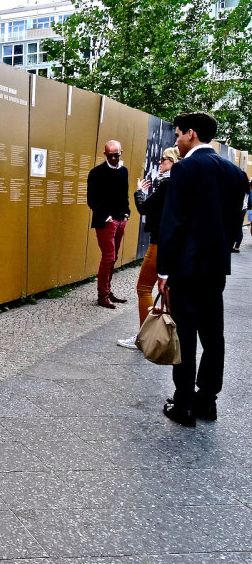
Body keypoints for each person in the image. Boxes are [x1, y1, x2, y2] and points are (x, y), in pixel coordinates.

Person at [157, 112, 249, 427]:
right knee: (214, 334)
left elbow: (174, 223)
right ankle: (207, 400)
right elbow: (234, 226)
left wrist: (164, 271)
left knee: (185, 334)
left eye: (178, 134)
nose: (176, 141)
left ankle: (183, 403)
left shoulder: (185, 169)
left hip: (186, 269)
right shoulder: (236, 173)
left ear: (191, 134)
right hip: (216, 269)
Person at [117, 146, 180, 349]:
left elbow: (144, 208)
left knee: (144, 288)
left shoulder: (167, 183)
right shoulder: (179, 183)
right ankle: (165, 334)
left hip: (159, 242)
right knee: (167, 290)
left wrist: (139, 192)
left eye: (164, 159)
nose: (160, 162)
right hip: (172, 242)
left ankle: (143, 338)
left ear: (172, 162)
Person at [87, 140, 131, 308]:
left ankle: (108, 290)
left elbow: (124, 195)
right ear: (105, 154)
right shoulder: (96, 173)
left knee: (113, 258)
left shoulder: (124, 171)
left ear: (121, 153)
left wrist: (127, 214)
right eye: (110, 155)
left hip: (121, 220)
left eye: (117, 155)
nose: (114, 158)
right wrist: (107, 218)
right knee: (108, 257)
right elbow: (91, 200)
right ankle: (102, 294)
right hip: (106, 222)